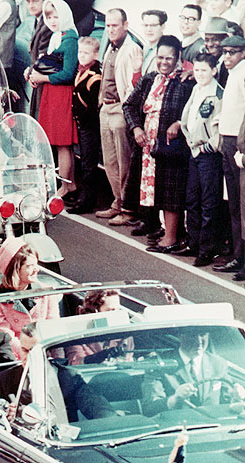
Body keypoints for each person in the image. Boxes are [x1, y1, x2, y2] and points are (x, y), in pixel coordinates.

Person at [122, 35, 195, 254]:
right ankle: (164, 232)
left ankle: (171, 237)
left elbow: (194, 109)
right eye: (160, 57)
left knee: (171, 191)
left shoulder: (186, 82)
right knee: (155, 191)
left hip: (172, 147)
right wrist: (136, 128)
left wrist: (180, 123)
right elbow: (129, 105)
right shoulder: (149, 79)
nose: (164, 62)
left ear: (178, 58)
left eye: (169, 58)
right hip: (147, 146)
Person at [0, 322, 115, 423]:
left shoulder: (69, 378)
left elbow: (96, 406)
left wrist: (110, 418)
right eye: (24, 350)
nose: (28, 357)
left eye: (34, 351)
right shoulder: (2, 381)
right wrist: (7, 416)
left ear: (48, 352)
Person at [27, 0, 78, 200]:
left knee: (63, 143)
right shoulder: (58, 37)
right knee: (58, 143)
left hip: (61, 94)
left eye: (56, 16)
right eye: (49, 17)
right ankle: (69, 183)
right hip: (51, 92)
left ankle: (66, 186)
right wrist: (33, 74)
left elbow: (68, 73)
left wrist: (42, 77)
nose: (53, 20)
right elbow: (48, 63)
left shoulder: (70, 39)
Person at [95, 8, 141, 225]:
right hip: (106, 108)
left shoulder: (131, 48)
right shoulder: (110, 48)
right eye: (108, 25)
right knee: (109, 162)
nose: (111, 29)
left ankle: (127, 208)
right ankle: (117, 201)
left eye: (115, 25)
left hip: (121, 110)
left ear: (125, 25)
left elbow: (134, 84)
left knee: (124, 162)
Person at [179, 52, 224, 267]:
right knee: (192, 199)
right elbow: (188, 119)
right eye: (196, 70)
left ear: (214, 70)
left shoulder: (217, 95)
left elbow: (218, 131)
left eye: (204, 70)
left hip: (208, 155)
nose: (199, 74)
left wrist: (205, 147)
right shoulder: (197, 89)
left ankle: (207, 249)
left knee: (208, 202)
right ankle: (193, 242)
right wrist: (190, 141)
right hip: (194, 151)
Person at [0, 237, 60, 359]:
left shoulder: (47, 292)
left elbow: (54, 328)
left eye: (36, 264)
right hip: (16, 359)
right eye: (30, 266)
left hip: (47, 354)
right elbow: (7, 339)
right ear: (15, 270)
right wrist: (32, 355)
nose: (36, 269)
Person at [141, 328, 231, 416]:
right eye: (192, 335)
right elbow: (149, 408)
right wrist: (175, 399)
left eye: (203, 335)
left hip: (214, 427)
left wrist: (236, 396)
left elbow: (228, 397)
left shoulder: (217, 363)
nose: (199, 341)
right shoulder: (160, 365)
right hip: (177, 427)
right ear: (180, 336)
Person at [215, 35, 245, 280]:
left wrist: (240, 147)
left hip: (238, 141)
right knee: (234, 204)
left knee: (242, 205)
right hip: (227, 138)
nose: (227, 57)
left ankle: (242, 258)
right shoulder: (233, 72)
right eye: (225, 52)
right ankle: (238, 255)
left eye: (232, 52)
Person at [67, 36, 102, 214]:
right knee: (84, 162)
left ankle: (87, 200)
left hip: (90, 125)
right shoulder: (80, 70)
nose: (82, 56)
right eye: (80, 52)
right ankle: (84, 196)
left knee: (89, 164)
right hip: (81, 124)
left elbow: (94, 105)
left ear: (95, 55)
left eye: (86, 53)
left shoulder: (95, 76)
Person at [65, 289, 134, 365]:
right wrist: (98, 357)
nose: (116, 314)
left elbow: (128, 361)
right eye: (111, 310)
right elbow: (76, 362)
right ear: (95, 312)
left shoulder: (124, 335)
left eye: (118, 309)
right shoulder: (76, 334)